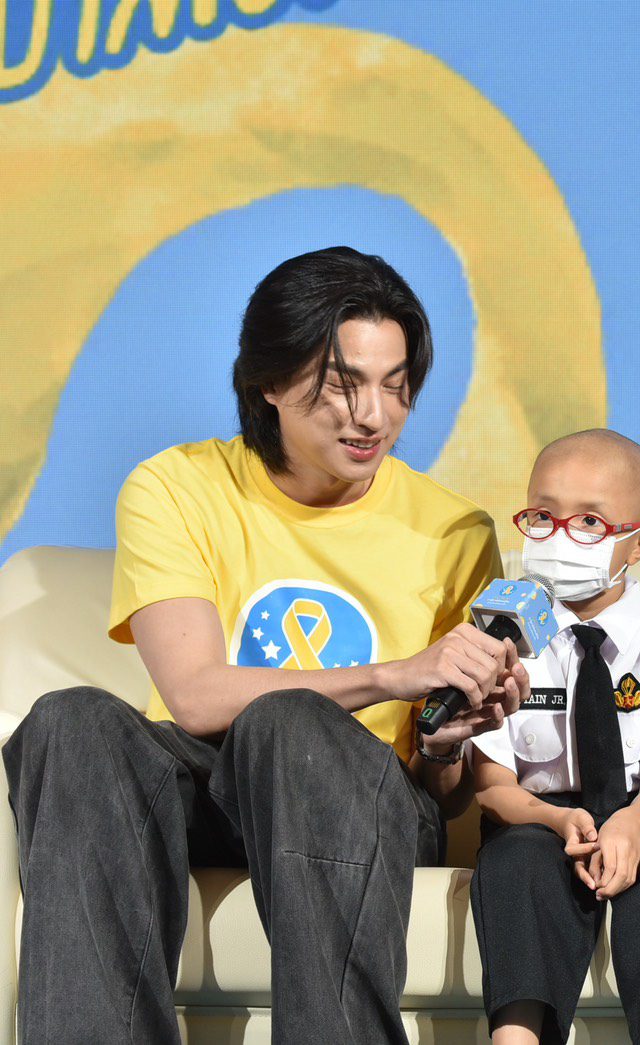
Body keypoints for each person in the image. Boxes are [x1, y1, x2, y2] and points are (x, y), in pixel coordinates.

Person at [2, 246, 526, 1044]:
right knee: (71, 721)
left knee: (293, 724)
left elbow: (442, 793)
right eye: (343, 384)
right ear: (269, 382)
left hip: (360, 800)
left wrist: (442, 740)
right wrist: (393, 674)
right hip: (208, 786)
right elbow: (195, 696)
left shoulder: (454, 530)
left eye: (395, 385)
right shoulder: (175, 488)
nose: (373, 415)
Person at [468, 429, 640, 1045]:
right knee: (516, 862)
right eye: (543, 517)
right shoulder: (494, 636)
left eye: (589, 522)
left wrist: (630, 826)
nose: (559, 538)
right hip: (539, 813)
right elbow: (492, 787)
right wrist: (556, 819)